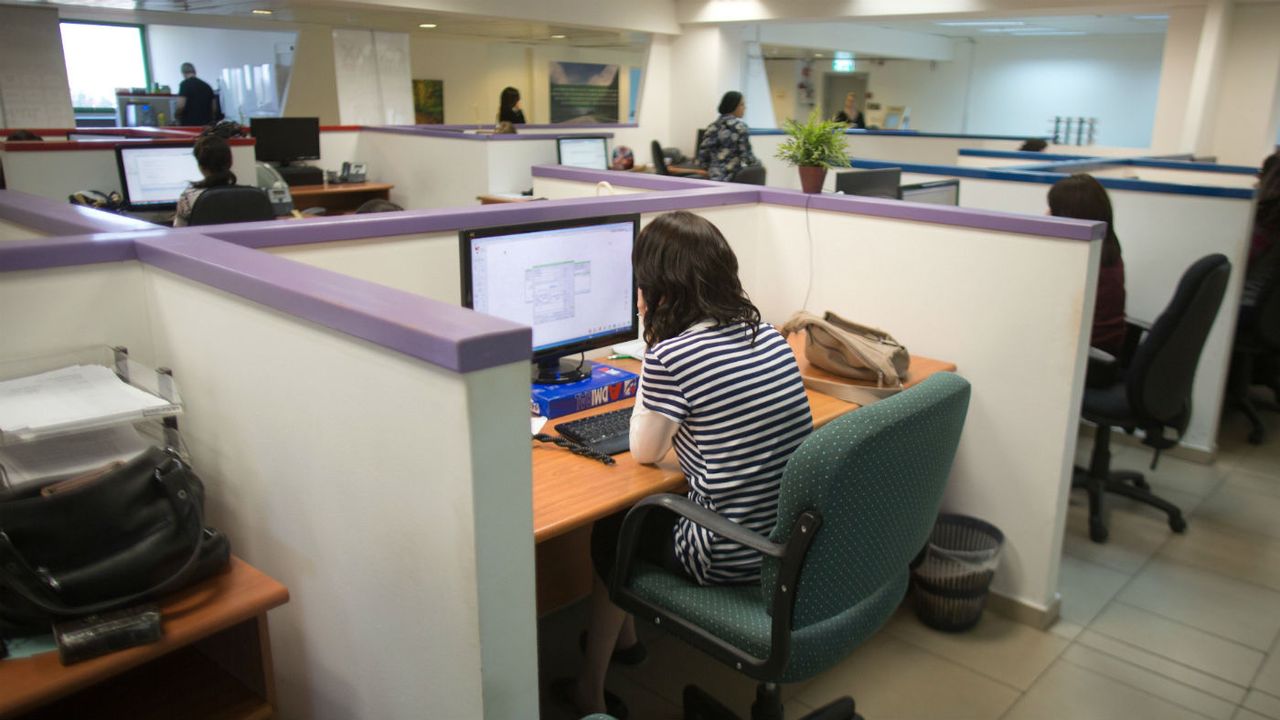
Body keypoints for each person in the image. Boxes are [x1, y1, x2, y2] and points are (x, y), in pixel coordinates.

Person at [557, 211, 813, 717]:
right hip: (785, 543)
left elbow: (646, 452)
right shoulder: (766, 335)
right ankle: (626, 642)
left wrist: (653, 354)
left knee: (613, 529)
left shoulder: (673, 355)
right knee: (639, 515)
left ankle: (591, 687)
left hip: (729, 551)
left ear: (662, 290)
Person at [1048, 174, 1126, 370]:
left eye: (1053, 209)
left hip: (1088, 361)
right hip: (1105, 350)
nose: (1046, 214)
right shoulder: (1109, 253)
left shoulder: (1079, 265)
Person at [174, 135, 236, 227]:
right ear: (230, 163)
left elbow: (180, 233)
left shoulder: (188, 199)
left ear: (201, 166)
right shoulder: (251, 196)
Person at [696, 91, 759, 182]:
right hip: (733, 179)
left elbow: (702, 157)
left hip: (713, 179)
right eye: (742, 104)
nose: (745, 107)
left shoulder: (712, 127)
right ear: (733, 106)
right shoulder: (740, 127)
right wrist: (760, 165)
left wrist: (711, 170)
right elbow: (747, 157)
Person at [176, 63, 218, 127]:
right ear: (195, 72)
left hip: (189, 125)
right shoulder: (207, 86)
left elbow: (181, 106)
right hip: (206, 125)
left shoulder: (184, 85)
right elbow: (214, 108)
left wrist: (177, 116)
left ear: (183, 73)